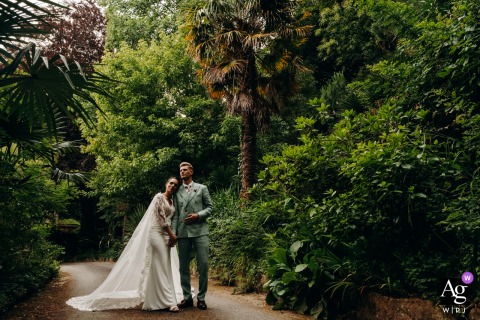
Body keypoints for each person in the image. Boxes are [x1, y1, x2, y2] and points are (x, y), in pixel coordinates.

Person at [66, 177, 184, 312]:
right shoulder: (158, 197)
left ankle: (156, 300)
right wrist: (172, 234)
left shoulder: (172, 201)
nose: (173, 186)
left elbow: (170, 219)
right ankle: (170, 302)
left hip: (165, 235)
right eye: (171, 183)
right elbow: (161, 217)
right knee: (162, 265)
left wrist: (170, 235)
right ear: (166, 184)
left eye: (176, 185)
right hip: (156, 233)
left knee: (162, 266)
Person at [171, 162, 213, 310]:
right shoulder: (176, 192)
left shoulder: (202, 188)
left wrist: (198, 215)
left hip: (200, 231)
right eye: (180, 170)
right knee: (183, 267)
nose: (182, 172)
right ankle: (187, 298)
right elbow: (175, 215)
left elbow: (210, 208)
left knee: (203, 265)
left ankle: (201, 298)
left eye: (185, 170)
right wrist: (173, 233)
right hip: (182, 233)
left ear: (191, 171)